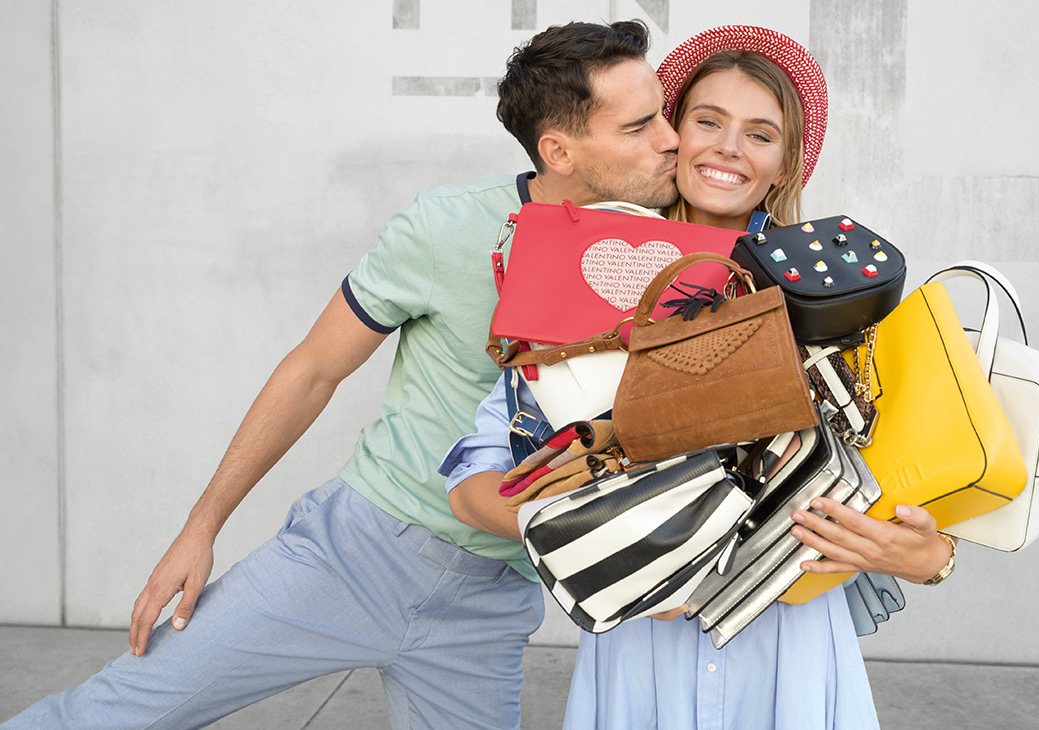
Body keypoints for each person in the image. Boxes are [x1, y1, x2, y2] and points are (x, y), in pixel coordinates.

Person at [2, 20, 682, 730]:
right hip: (359, 551)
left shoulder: (683, 254)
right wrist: (201, 527)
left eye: (663, 115)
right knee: (100, 718)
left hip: (491, 597)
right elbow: (313, 370)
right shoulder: (446, 227)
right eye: (639, 126)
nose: (669, 139)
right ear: (558, 150)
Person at [444, 25, 953, 730]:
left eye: (760, 134)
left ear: (785, 166)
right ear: (670, 135)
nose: (728, 147)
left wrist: (930, 555)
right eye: (707, 121)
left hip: (790, 651)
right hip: (641, 650)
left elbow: (907, 475)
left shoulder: (838, 291)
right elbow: (474, 481)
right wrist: (620, 546)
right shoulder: (583, 276)